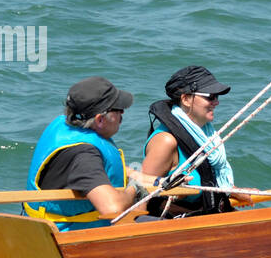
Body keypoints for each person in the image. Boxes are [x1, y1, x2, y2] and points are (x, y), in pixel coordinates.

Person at [24, 77, 154, 231]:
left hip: (40, 231)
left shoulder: (64, 125)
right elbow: (113, 208)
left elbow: (96, 171)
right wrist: (135, 188)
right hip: (69, 237)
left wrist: (153, 179)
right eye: (118, 110)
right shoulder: (84, 156)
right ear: (99, 120)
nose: (122, 115)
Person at [140, 65, 243, 217]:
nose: (216, 102)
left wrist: (235, 191)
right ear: (186, 99)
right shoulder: (165, 141)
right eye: (210, 96)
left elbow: (208, 178)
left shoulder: (205, 135)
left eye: (217, 97)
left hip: (208, 215)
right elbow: (141, 194)